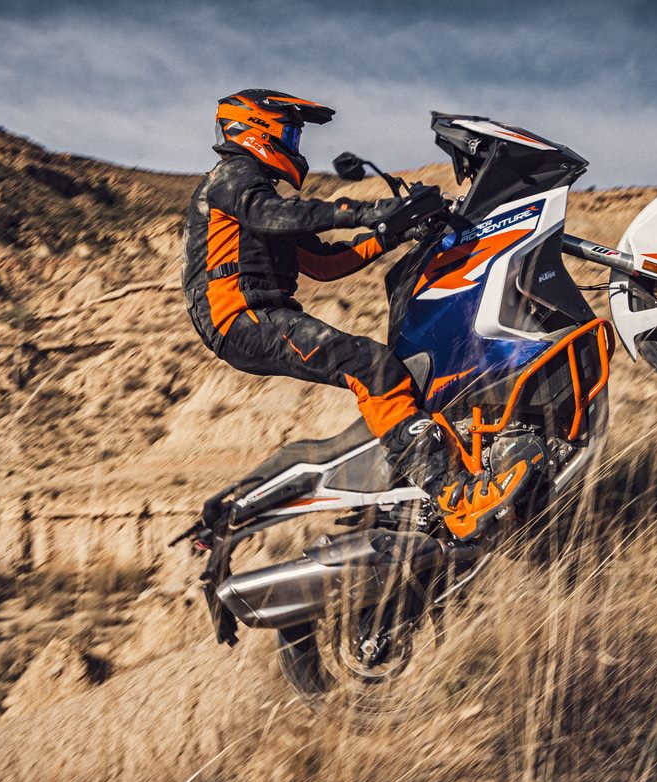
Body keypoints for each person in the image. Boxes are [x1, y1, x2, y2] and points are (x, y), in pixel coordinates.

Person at [181, 90, 537, 538]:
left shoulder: (255, 198)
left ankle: (410, 484)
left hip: (254, 315)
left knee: (383, 367)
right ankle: (451, 496)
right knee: (371, 365)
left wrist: (393, 231)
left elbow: (325, 264)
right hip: (239, 317)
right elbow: (281, 216)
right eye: (289, 133)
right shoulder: (234, 179)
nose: (294, 144)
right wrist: (373, 211)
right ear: (256, 130)